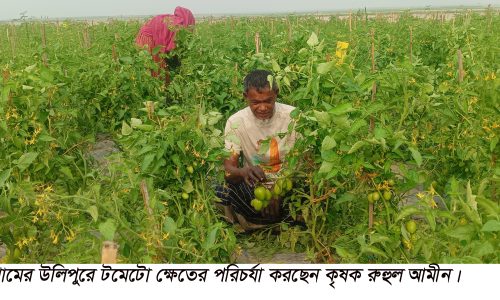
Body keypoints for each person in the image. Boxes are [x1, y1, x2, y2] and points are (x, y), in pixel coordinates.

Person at [216, 70, 298, 231]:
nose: (262, 107)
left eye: (268, 101)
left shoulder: (293, 117)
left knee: (314, 183)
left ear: (276, 94)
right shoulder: (236, 122)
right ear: (245, 96)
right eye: (255, 102)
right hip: (255, 187)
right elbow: (229, 169)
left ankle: (257, 222)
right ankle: (284, 221)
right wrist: (244, 172)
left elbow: (306, 162)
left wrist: (278, 192)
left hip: (289, 185)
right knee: (220, 188)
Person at [135, 6, 195, 87]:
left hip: (142, 37)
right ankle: (159, 92)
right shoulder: (180, 26)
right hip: (149, 40)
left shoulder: (172, 19)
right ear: (189, 20)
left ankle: (151, 90)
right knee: (157, 70)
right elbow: (173, 48)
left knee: (147, 69)